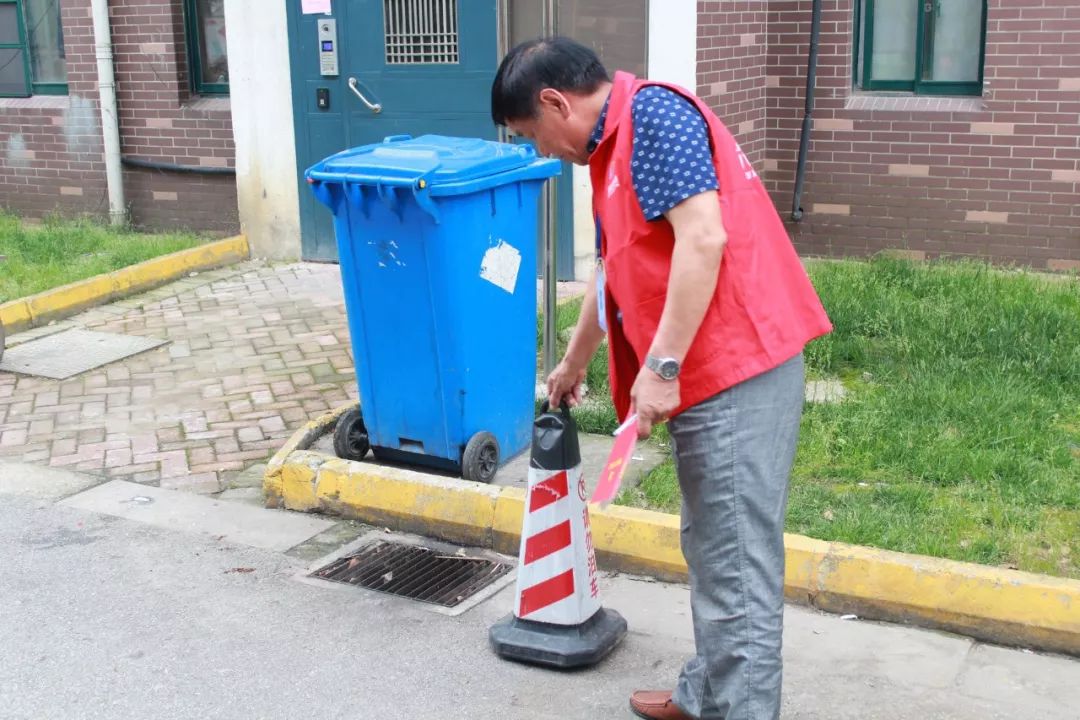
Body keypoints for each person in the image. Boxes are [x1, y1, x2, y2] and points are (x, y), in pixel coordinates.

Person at [491, 37, 833, 720]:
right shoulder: (611, 148)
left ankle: (739, 709)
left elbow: (704, 238)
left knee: (736, 563)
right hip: (710, 371)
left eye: (533, 133)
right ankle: (706, 693)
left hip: (737, 368)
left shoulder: (653, 119)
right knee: (714, 546)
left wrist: (662, 366)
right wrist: (575, 357)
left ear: (557, 102)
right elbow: (617, 269)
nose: (541, 152)